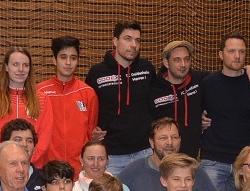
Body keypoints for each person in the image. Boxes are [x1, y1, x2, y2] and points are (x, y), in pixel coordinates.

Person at [198, 32, 250, 191]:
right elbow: (196, 112)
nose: (237, 56)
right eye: (232, 51)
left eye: (241, 51)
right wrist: (200, 119)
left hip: (243, 162)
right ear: (221, 54)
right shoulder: (208, 83)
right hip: (213, 159)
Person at [86, 20, 156, 172]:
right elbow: (87, 109)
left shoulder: (147, 69)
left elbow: (159, 101)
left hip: (144, 153)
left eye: (137, 40)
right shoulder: (97, 72)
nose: (134, 45)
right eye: (128, 39)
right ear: (115, 41)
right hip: (111, 156)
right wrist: (92, 130)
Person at [0, 47, 52, 165]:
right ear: (6, 67)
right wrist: (9, 160)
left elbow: (45, 137)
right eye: (15, 64)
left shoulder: (43, 99)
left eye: (25, 65)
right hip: (1, 165)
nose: (21, 69)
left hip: (33, 166)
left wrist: (26, 162)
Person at [37, 36, 100, 170]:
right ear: (54, 60)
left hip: (79, 169)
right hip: (48, 168)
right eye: (63, 57)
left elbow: (91, 135)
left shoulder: (88, 93)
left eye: (73, 58)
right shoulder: (40, 92)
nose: (68, 62)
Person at [150, 39, 206, 162]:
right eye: (177, 60)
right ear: (166, 62)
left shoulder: (199, 81)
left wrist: (246, 69)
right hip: (162, 160)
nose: (183, 64)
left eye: (187, 59)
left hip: (190, 159)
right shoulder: (153, 89)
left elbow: (225, 77)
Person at [120, 118, 183, 191]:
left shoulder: (193, 171)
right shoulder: (132, 173)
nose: (170, 142)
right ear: (152, 142)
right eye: (163, 138)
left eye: (174, 137)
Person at [0, 119, 46, 191]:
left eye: (29, 141)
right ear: (4, 144)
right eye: (18, 139)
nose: (24, 144)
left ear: (34, 149)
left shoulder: (45, 178)